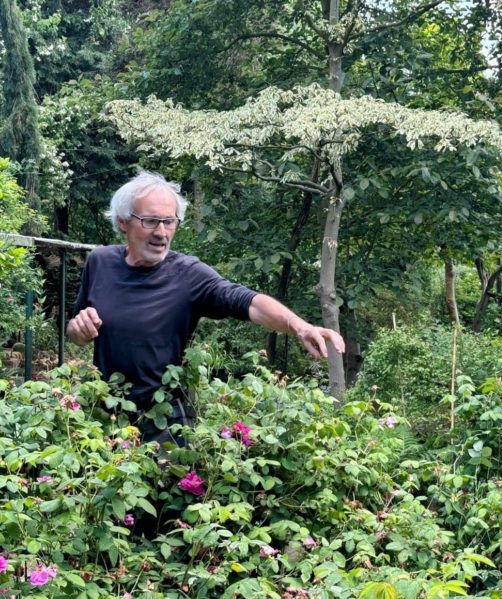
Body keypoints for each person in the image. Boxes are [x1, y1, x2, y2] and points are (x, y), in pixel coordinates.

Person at [67, 171, 345, 442]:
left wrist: (298, 325)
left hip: (165, 424)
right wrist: (78, 330)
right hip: (104, 417)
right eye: (150, 221)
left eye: (169, 221)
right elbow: (74, 329)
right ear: (123, 222)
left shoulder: (188, 275)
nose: (161, 232)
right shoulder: (100, 262)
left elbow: (246, 300)